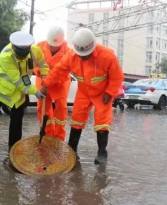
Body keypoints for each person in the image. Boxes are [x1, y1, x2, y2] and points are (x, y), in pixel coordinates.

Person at [40, 28, 124, 164]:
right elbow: (58, 71)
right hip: (83, 92)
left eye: (85, 55)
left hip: (102, 94)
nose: (82, 57)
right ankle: (72, 151)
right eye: (80, 54)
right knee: (76, 120)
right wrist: (45, 86)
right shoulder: (71, 56)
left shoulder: (107, 56)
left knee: (102, 123)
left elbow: (117, 77)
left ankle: (102, 153)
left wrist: (110, 92)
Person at [0, 31, 49, 156]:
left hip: (18, 93)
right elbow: (18, 80)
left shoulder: (36, 51)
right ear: (14, 47)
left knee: (17, 120)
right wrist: (36, 92)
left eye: (24, 55)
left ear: (29, 48)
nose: (22, 58)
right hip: (0, 90)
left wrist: (46, 78)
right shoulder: (6, 56)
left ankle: (13, 149)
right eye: (19, 55)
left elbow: (43, 64)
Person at [34, 26, 71, 141]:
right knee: (43, 108)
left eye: (55, 46)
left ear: (61, 43)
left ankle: (59, 137)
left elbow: (64, 71)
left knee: (61, 109)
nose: (52, 47)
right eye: (50, 45)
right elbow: (35, 64)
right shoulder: (39, 47)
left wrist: (50, 81)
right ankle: (47, 135)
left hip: (60, 83)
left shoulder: (68, 52)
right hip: (42, 82)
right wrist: (40, 72)